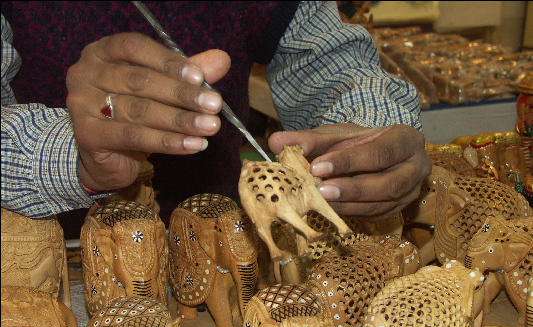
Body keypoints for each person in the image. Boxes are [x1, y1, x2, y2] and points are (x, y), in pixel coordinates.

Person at [1, 1, 431, 237]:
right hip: (53, 256)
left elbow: (327, 57)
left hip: (232, 234)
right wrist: (73, 155)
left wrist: (368, 131)